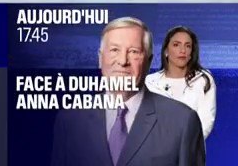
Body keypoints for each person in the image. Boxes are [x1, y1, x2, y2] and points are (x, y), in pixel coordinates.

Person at [50, 16, 205, 166]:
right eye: (114, 50)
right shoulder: (70, 119)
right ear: (100, 58)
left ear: (149, 61)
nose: (123, 61)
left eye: (134, 52)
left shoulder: (183, 121)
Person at [146, 26, 217, 140]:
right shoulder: (149, 83)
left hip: (189, 150)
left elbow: (206, 122)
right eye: (176, 45)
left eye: (187, 46)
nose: (182, 50)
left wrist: (183, 146)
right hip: (155, 150)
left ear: (191, 53)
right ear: (166, 51)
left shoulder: (203, 80)